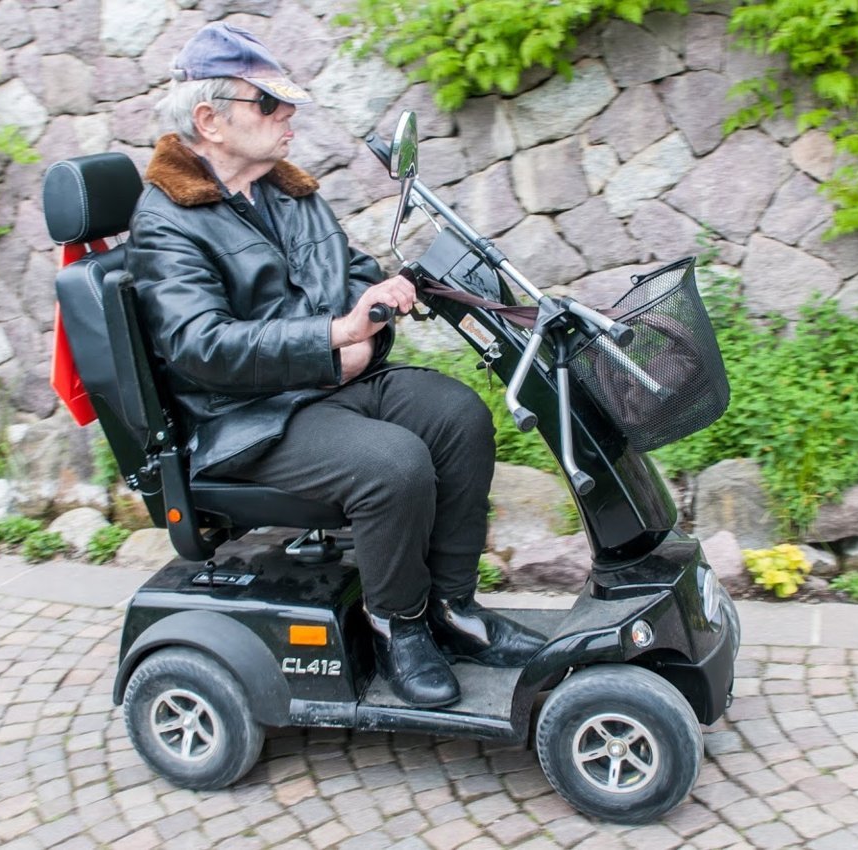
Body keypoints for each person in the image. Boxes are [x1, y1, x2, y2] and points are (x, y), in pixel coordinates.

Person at [125, 22, 545, 709]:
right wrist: (333, 337)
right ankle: (398, 626)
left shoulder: (289, 191)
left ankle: (453, 608)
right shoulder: (168, 219)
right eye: (269, 103)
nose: (287, 114)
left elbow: (349, 271)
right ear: (210, 121)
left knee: (460, 416)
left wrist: (377, 304)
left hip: (331, 383)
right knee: (394, 465)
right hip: (248, 418)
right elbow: (201, 346)